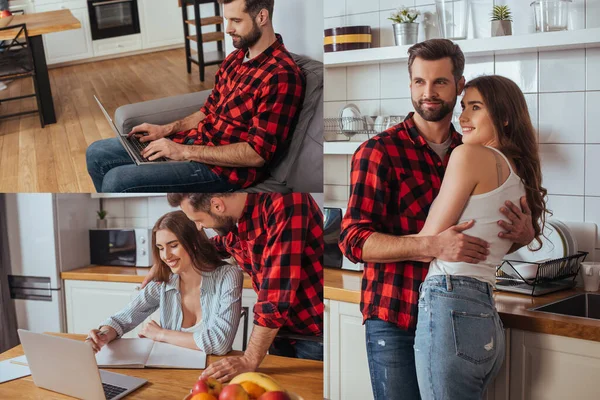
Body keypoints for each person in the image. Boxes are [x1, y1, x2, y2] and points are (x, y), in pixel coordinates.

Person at [339, 39, 536, 400]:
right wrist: (431, 245)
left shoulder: (474, 150)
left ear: (459, 85)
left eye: (440, 82)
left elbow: (492, 226)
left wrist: (523, 234)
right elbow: (354, 240)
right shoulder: (378, 152)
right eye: (419, 82)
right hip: (394, 316)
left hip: (454, 317)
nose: (428, 93)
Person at [412, 74, 549, 399]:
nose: (462, 118)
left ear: (503, 116)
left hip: (450, 306)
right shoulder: (517, 170)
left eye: (475, 107)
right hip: (484, 317)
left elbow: (426, 243)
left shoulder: (468, 155)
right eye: (463, 107)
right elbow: (504, 237)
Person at [86, 0, 306, 193]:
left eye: (236, 21)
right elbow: (207, 111)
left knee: (117, 181)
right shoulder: (235, 59)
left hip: (223, 171)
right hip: (195, 142)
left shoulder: (281, 76)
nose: (228, 29)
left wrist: (182, 151)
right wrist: (166, 129)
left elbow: (256, 155)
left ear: (262, 17)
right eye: (226, 19)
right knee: (96, 152)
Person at [141, 192, 324, 382]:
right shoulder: (240, 222)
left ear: (217, 205)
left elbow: (275, 295)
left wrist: (249, 359)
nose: (199, 227)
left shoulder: (285, 202)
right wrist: (168, 259)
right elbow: (219, 245)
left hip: (313, 334)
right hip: (276, 332)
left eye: (198, 220)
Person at [87, 211, 243, 355]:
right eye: (160, 248)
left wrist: (161, 334)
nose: (166, 255)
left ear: (194, 243)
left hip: (213, 373)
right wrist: (103, 334)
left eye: (173, 246)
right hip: (171, 372)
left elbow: (220, 343)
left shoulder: (228, 276)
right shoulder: (164, 281)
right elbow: (122, 319)